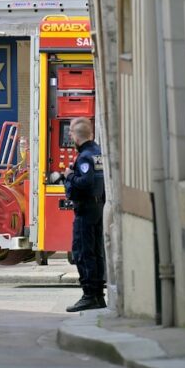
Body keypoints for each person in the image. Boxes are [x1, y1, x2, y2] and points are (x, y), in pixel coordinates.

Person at [63, 117, 107, 312]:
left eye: (71, 134)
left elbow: (85, 183)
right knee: (96, 252)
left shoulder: (85, 157)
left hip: (86, 209)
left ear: (75, 136)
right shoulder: (98, 153)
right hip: (99, 208)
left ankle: (90, 295)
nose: (70, 137)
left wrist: (69, 176)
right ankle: (98, 295)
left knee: (82, 252)